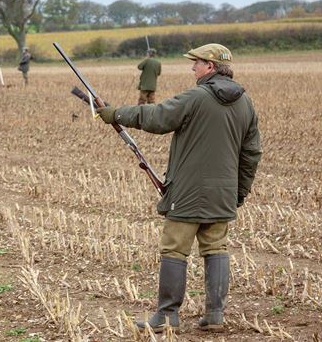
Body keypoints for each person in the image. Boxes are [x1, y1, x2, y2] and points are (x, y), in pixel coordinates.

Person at [96, 43, 262, 333]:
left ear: (210, 67)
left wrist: (116, 114)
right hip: (223, 193)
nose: (192, 68)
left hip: (188, 192)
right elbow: (252, 154)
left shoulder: (197, 97)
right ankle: (215, 315)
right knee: (216, 248)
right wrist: (239, 192)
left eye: (196, 63)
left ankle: (167, 315)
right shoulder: (245, 103)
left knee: (174, 249)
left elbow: (157, 117)